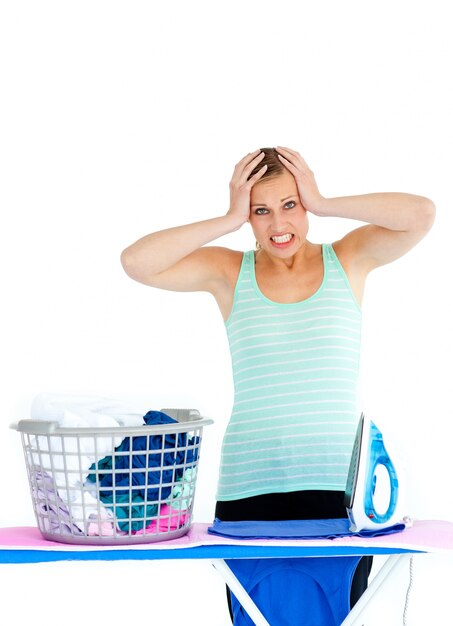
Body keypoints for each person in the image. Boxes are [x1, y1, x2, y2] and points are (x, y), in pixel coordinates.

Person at [120, 146, 435, 619]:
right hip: (249, 495)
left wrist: (325, 201)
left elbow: (421, 214)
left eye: (290, 205)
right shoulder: (230, 272)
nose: (277, 224)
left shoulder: (347, 259)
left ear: (305, 203)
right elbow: (136, 262)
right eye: (260, 211)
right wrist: (227, 218)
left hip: (336, 492)